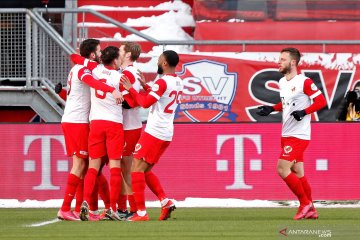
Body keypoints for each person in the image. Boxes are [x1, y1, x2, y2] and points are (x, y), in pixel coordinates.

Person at [256, 47, 326, 220]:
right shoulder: (283, 82)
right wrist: (271, 108)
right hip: (286, 133)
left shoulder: (305, 82)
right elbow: (286, 104)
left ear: (293, 62)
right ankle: (312, 209)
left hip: (299, 135)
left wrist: (304, 112)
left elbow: (321, 101)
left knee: (282, 168)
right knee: (298, 171)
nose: (278, 62)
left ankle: (304, 204)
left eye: (282, 59)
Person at [58, 39, 123, 221]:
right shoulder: (84, 70)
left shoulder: (81, 67)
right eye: (99, 51)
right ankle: (67, 208)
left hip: (79, 120)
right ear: (93, 54)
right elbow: (91, 82)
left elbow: (75, 59)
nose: (102, 54)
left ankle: (86, 208)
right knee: (80, 165)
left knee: (88, 166)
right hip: (77, 122)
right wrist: (112, 90)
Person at [121, 50, 183, 221]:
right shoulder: (178, 81)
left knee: (136, 169)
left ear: (164, 63)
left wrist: (130, 90)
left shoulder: (162, 82)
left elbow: (145, 103)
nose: (157, 62)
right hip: (166, 132)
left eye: (159, 59)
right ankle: (165, 202)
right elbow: (162, 98)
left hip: (155, 131)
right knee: (145, 170)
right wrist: (146, 86)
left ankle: (141, 212)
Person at [79, 46, 136, 221]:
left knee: (93, 167)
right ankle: (111, 208)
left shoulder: (94, 70)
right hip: (114, 124)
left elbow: (76, 58)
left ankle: (85, 202)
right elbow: (131, 101)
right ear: (115, 60)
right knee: (115, 167)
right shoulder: (120, 77)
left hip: (95, 123)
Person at [116, 42, 142, 219]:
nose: (118, 52)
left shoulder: (128, 74)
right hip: (129, 126)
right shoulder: (128, 73)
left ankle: (133, 208)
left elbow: (129, 103)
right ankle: (124, 207)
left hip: (129, 127)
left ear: (128, 55)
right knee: (121, 168)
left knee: (125, 169)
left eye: (121, 50)